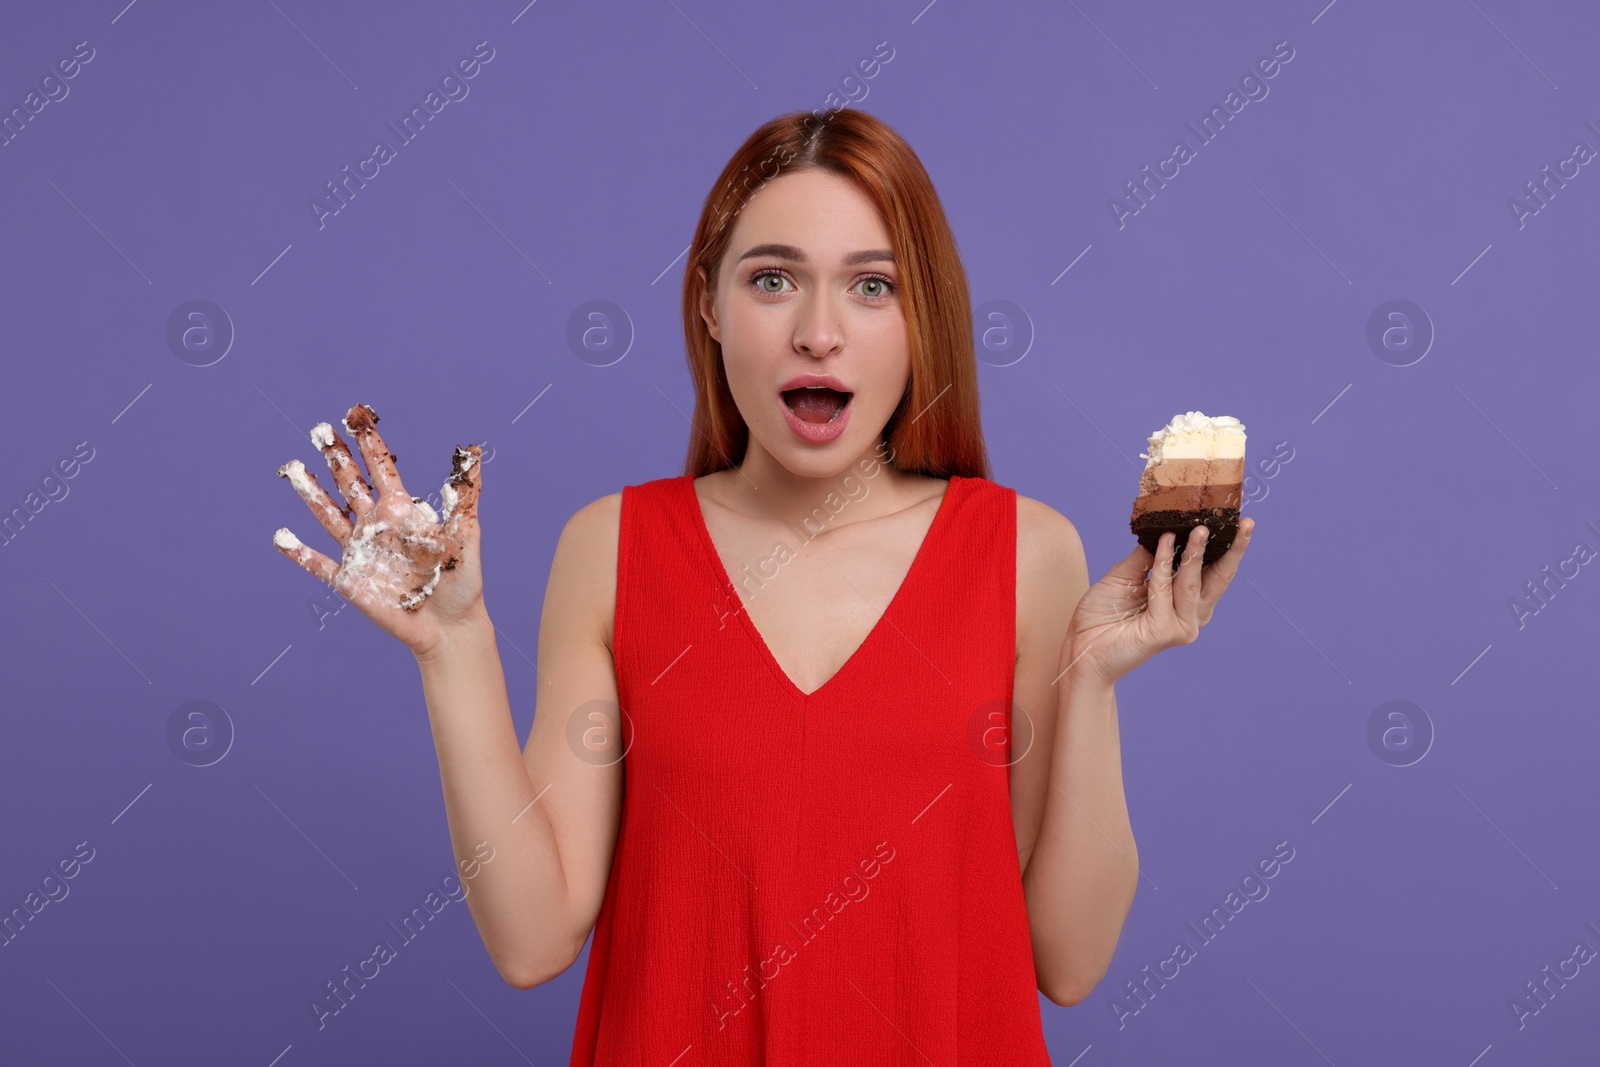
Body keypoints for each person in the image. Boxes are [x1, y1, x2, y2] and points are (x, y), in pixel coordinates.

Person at [271, 107, 1254, 1064]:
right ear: (707, 300)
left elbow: (1070, 962)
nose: (818, 332)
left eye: (873, 286)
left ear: (925, 318)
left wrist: (1087, 680)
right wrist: (456, 650)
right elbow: (532, 939)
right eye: (773, 278)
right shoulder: (613, 547)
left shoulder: (1024, 552)